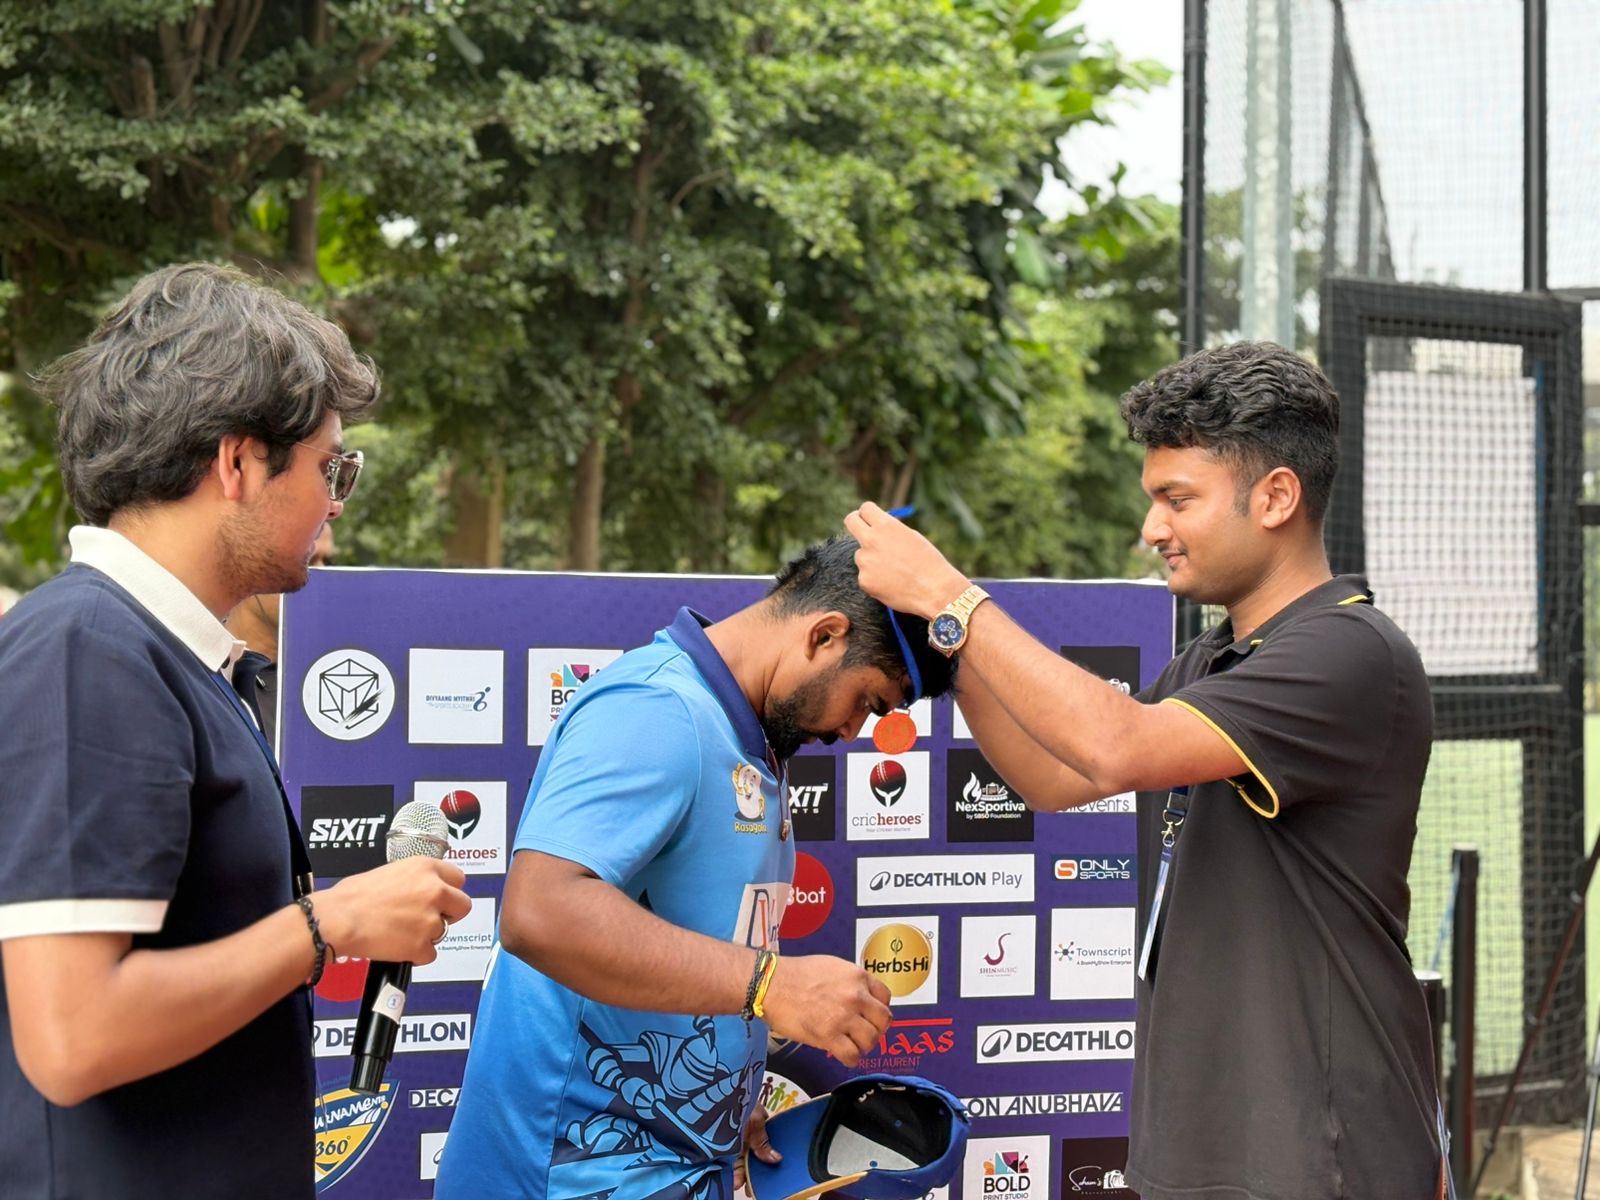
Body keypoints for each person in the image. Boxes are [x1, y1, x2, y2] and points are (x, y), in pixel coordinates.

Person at [846, 342, 1444, 1200]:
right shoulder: (1216, 657)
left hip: (1319, 1149)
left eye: (1177, 499)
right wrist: (942, 644)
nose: (1153, 528)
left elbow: (1117, 744)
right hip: (1200, 1143)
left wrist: (953, 598)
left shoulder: (1351, 651)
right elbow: (1055, 777)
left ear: (1275, 496)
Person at [0, 263, 473, 1199]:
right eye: (331, 467)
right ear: (239, 462)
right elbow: (72, 1035)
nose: (337, 506)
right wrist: (328, 924)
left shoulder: (167, 658)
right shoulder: (88, 650)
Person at [435, 536, 958, 1200]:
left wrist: (717, 1107)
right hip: (566, 1173)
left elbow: (684, 952)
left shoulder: (747, 735)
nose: (853, 729)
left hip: (673, 1164)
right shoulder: (658, 710)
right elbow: (539, 912)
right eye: (869, 699)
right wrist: (775, 986)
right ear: (824, 636)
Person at [229, 522, 338, 745]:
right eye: (305, 559)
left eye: (328, 561)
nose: (323, 575)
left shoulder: (330, 681)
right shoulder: (201, 672)